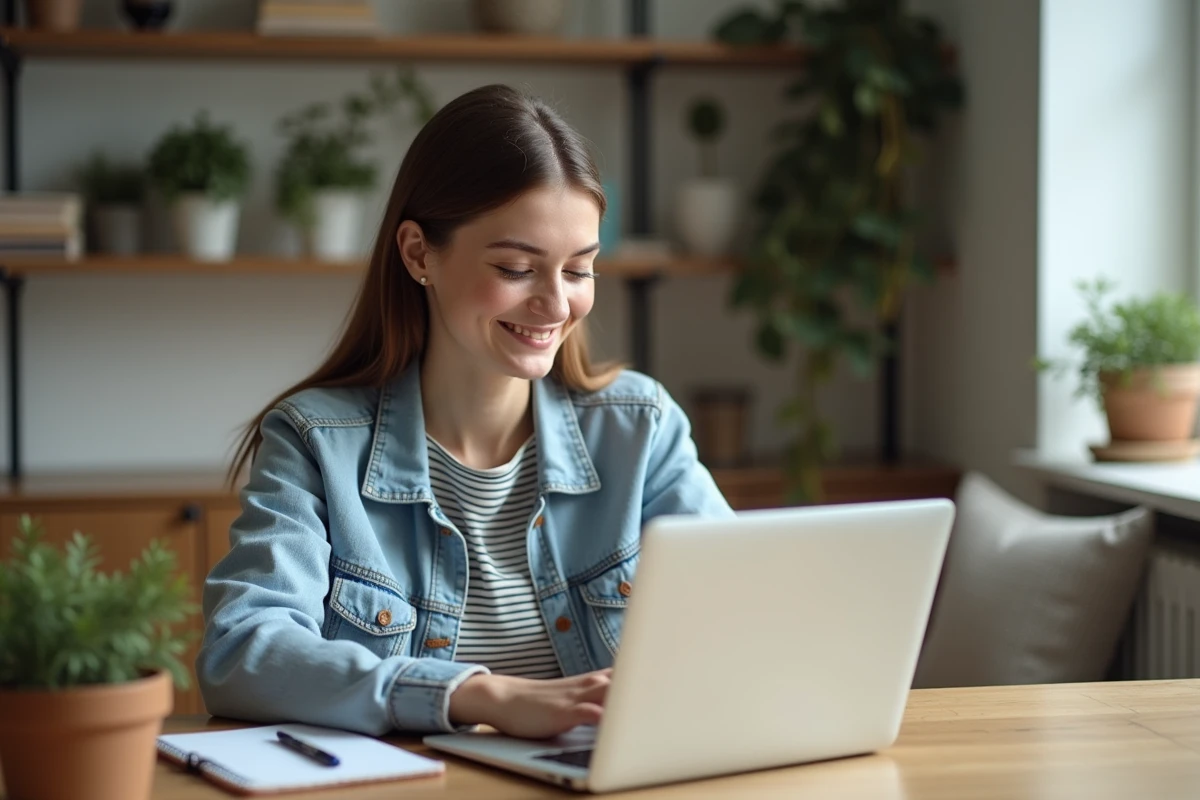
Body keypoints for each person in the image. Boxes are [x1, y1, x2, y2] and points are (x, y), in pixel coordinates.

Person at [197, 84, 733, 740]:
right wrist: (477, 696)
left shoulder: (641, 430)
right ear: (419, 253)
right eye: (516, 267)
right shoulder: (316, 442)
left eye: (580, 270)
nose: (556, 304)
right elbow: (243, 653)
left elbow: (740, 625)